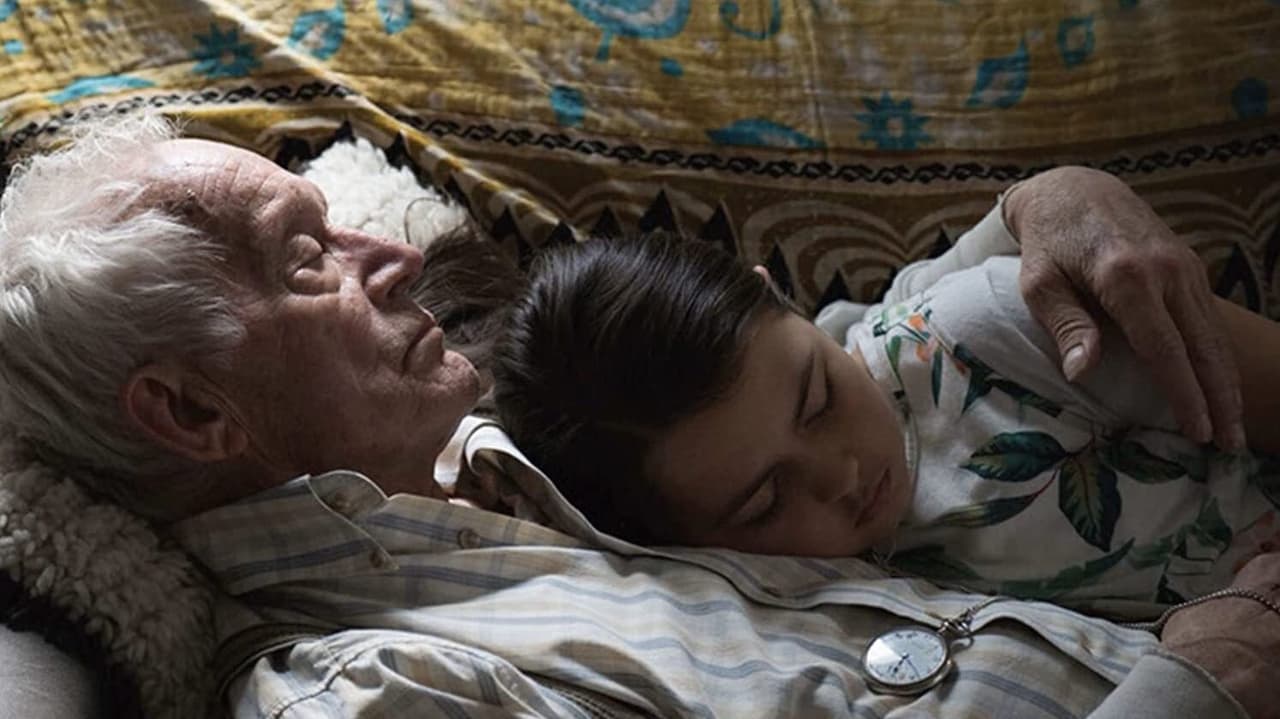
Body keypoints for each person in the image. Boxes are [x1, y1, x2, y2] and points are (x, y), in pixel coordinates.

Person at [0, 114, 1274, 718]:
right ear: (189, 408)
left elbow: (870, 359)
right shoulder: (357, 693)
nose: (391, 255)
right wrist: (1199, 686)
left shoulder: (524, 451)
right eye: (304, 259)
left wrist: (1050, 197)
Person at [492, 220, 1280, 613]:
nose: (843, 473)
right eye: (765, 500)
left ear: (778, 296)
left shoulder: (988, 331)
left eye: (818, 399)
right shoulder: (777, 597)